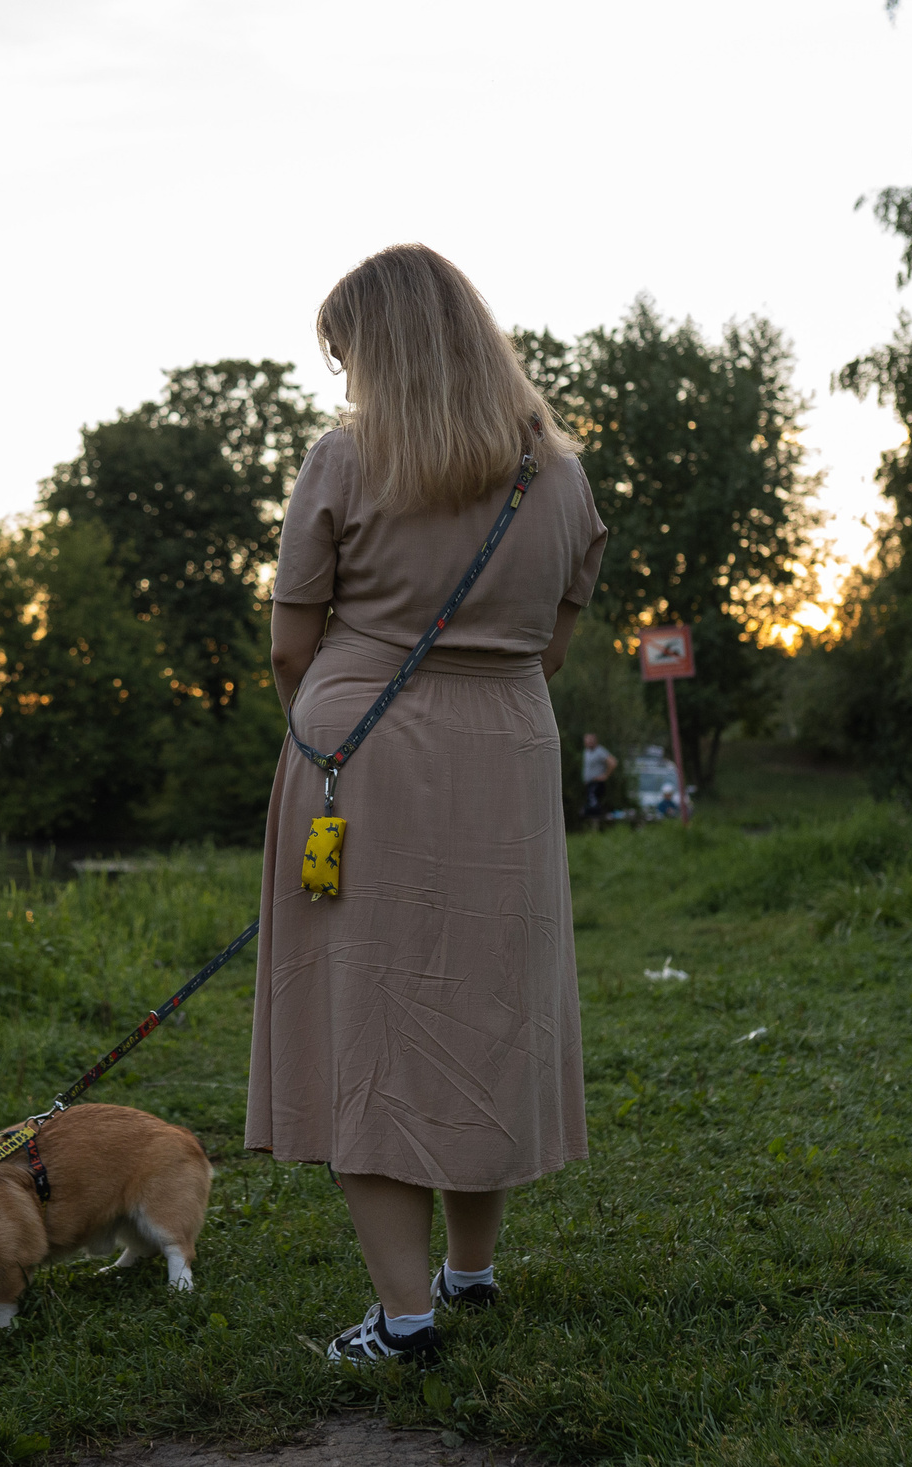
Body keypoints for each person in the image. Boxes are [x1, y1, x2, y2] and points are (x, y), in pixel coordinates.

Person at [252, 243, 607, 1367]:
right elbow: (550, 646)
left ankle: (406, 1321)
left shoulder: (346, 462)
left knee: (368, 1019)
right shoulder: (558, 478)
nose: (343, 380)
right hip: (506, 747)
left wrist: (327, 727)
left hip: (361, 753)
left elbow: (289, 644)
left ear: (382, 353)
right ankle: (471, 1270)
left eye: (346, 355)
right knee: (484, 1002)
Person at [580, 732, 618, 827]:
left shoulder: (599, 751)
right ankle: (592, 828)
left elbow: (613, 762)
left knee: (594, 806)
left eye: (590, 740)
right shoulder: (587, 751)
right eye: (586, 740)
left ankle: (596, 828)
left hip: (596, 784)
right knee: (590, 805)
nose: (588, 742)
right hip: (589, 784)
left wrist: (605, 775)